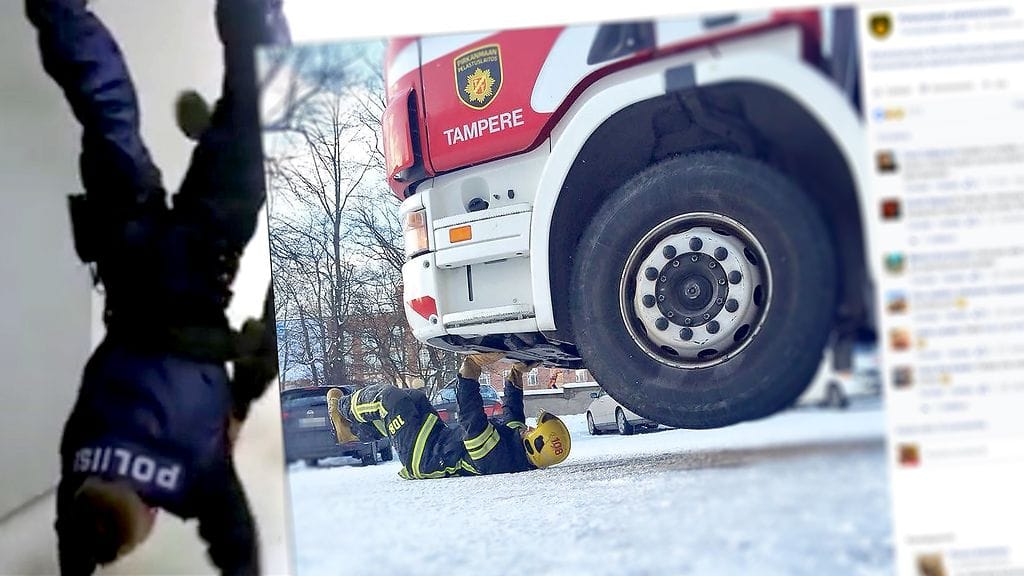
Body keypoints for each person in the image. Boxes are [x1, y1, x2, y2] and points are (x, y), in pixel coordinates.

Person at [25, 0, 288, 573]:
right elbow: (76, 535)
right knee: (106, 112)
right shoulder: (79, 461)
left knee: (255, 119)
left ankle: (249, 38)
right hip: (130, 255)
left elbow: (240, 555)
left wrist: (243, 392)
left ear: (146, 522)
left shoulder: (198, 478)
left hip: (202, 262)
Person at [327, 353, 572, 479]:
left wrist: (470, 370)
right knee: (415, 398)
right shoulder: (519, 447)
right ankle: (351, 432)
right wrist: (518, 371)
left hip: (423, 457)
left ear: (535, 445)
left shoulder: (497, 458)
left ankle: (342, 407)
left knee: (392, 400)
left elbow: (470, 416)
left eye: (533, 430)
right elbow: (513, 409)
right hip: (436, 438)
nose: (529, 428)